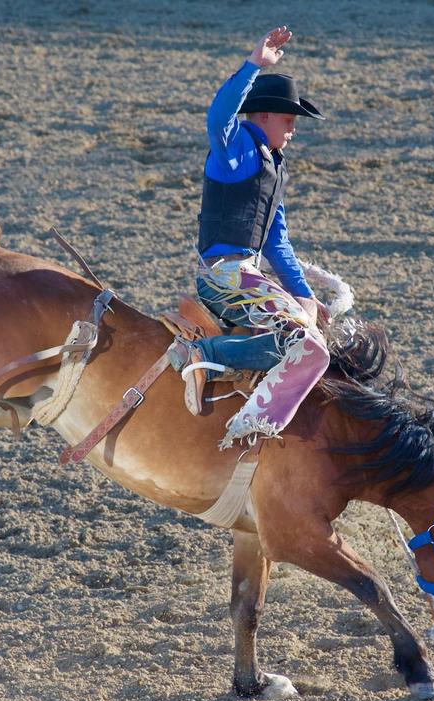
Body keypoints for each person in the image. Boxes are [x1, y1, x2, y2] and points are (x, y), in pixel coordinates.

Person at [168, 26, 332, 448]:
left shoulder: (272, 169)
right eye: (289, 121)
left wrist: (306, 296)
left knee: (307, 336)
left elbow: (278, 242)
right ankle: (233, 390)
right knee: (311, 350)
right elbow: (218, 116)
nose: (293, 131)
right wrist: (254, 65)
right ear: (262, 116)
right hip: (226, 277)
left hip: (246, 276)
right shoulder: (236, 147)